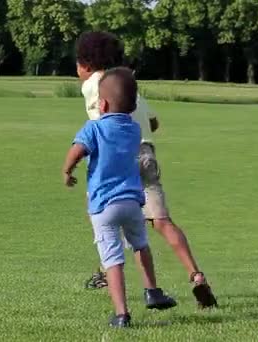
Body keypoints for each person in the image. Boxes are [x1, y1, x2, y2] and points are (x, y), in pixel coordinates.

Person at [75, 31, 218, 308]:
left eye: (79, 64)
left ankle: (109, 274)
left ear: (88, 63)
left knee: (107, 213)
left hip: (118, 157)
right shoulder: (127, 87)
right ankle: (197, 276)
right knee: (161, 221)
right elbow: (153, 123)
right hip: (146, 153)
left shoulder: (94, 83)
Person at [62, 67, 176, 328]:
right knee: (141, 245)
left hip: (103, 205)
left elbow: (77, 150)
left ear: (101, 103)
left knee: (112, 259)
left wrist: (67, 171)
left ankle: (122, 313)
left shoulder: (93, 128)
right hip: (133, 203)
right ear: (133, 104)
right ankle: (152, 291)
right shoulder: (134, 130)